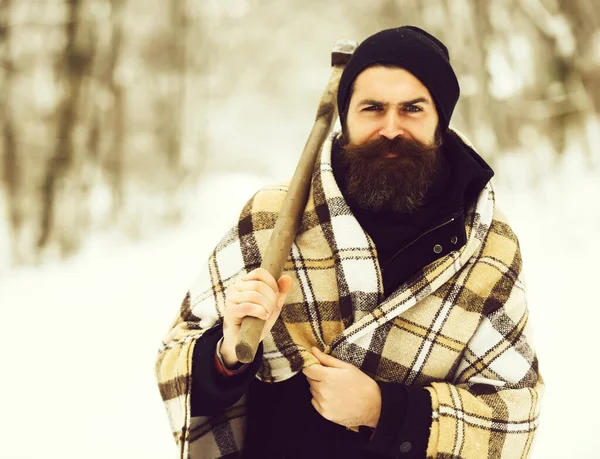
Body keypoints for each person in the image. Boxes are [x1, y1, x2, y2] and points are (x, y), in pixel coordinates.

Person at [156, 26, 543, 459]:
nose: (391, 128)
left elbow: (515, 413)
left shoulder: (487, 246)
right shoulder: (270, 217)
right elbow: (175, 362)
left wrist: (384, 410)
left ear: (441, 119)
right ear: (345, 118)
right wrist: (226, 353)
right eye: (372, 108)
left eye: (412, 108)